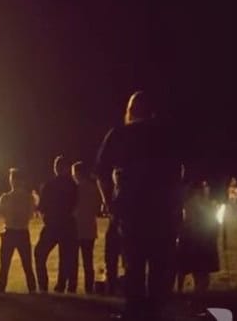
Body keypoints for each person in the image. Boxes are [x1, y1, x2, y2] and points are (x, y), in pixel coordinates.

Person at [97, 91, 183, 321]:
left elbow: (101, 171)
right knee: (158, 266)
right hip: (161, 210)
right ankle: (155, 311)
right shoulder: (166, 135)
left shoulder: (120, 134)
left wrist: (109, 201)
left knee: (133, 264)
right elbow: (177, 173)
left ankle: (134, 311)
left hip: (130, 209)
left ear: (130, 110)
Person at [34, 155, 78, 293]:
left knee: (40, 253)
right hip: (68, 224)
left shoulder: (50, 185)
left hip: (53, 224)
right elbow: (75, 204)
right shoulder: (73, 185)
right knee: (65, 257)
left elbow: (42, 206)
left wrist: (46, 215)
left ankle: (43, 284)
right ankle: (61, 285)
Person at [0, 168, 38, 293]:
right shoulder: (29, 198)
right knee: (27, 264)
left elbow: (2, 212)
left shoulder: (5, 197)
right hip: (22, 232)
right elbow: (30, 215)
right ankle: (32, 288)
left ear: (12, 180)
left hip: (9, 231)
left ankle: (1, 287)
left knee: (5, 264)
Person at [176, 181, 219, 292]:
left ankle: (182, 291)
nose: (206, 190)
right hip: (199, 239)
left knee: (186, 268)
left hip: (192, 238)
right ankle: (196, 295)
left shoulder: (189, 203)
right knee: (200, 271)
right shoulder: (202, 203)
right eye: (204, 187)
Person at [72, 161, 102, 293]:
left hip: (76, 228)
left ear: (77, 173)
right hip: (90, 227)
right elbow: (97, 208)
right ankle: (88, 287)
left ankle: (72, 286)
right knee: (88, 260)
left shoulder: (75, 189)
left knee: (73, 260)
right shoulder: (94, 188)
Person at [104, 167, 125, 295]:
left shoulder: (123, 192)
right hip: (113, 228)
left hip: (121, 229)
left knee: (120, 260)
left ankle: (117, 286)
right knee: (110, 260)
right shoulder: (115, 190)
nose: (116, 177)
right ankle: (111, 285)